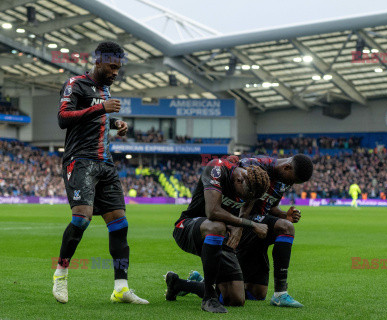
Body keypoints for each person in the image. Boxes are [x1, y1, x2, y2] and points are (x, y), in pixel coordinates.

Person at [52, 41, 148, 304]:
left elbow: (98, 117)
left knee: (120, 224)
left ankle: (120, 288)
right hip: (80, 160)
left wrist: (117, 123)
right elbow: (63, 118)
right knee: (81, 218)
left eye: (119, 67)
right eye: (112, 66)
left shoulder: (105, 89)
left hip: (105, 163)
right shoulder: (75, 84)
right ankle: (60, 273)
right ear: (98, 62)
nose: (116, 72)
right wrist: (101, 109)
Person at [171, 154, 314, 308]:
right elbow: (220, 210)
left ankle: (190, 284)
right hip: (223, 225)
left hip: (240, 226)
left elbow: (269, 207)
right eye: (292, 180)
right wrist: (244, 225)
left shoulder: (268, 182)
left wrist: (283, 215)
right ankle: (278, 293)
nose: (290, 184)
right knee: (284, 227)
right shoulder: (244, 168)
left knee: (252, 294)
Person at [166, 158, 270, 313]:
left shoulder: (252, 182)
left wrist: (238, 225)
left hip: (220, 236)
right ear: (239, 180)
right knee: (216, 225)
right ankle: (209, 298)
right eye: (247, 195)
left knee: (235, 299)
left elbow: (250, 200)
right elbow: (212, 211)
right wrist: (249, 224)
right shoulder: (217, 169)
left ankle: (178, 284)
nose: (247, 200)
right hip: (188, 227)